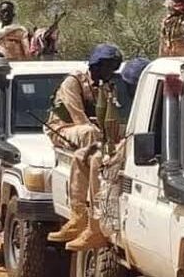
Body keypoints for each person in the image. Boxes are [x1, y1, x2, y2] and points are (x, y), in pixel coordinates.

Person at [64, 56, 150, 251]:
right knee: (83, 155)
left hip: (142, 150)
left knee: (98, 162)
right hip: (126, 143)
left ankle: (96, 227)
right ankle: (79, 216)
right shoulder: (122, 96)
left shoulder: (152, 98)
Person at [45, 44, 122, 246]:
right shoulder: (74, 82)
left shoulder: (108, 86)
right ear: (95, 65)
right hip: (64, 128)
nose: (109, 71)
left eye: (112, 67)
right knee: (89, 135)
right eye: (106, 66)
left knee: (87, 151)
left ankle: (93, 214)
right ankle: (80, 213)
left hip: (92, 133)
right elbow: (78, 116)